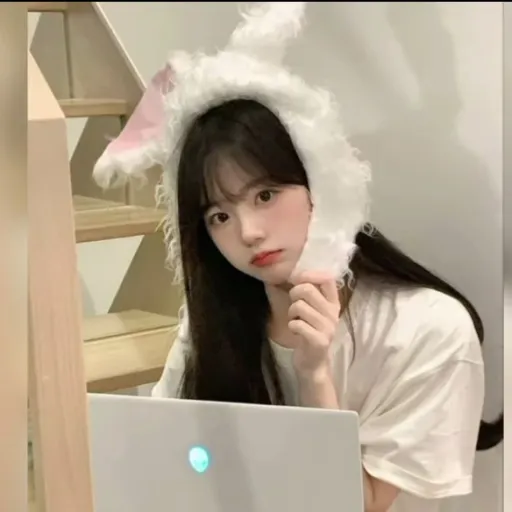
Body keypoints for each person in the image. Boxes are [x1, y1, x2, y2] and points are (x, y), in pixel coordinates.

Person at [91, 3, 503, 512]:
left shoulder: (428, 330)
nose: (248, 231)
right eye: (219, 215)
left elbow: (356, 505)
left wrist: (314, 374)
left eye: (265, 195)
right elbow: (168, 453)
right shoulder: (215, 321)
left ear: (320, 183)